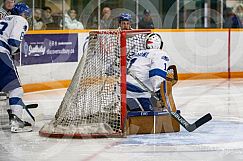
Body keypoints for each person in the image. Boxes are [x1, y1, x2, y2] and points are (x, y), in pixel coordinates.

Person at [0, 2, 32, 132]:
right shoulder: (20, 20)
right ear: (23, 13)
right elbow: (13, 42)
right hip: (1, 53)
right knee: (15, 90)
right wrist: (14, 51)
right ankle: (16, 122)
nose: (26, 17)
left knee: (8, 89)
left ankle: (12, 116)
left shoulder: (3, 19)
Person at [126, 33, 170, 111]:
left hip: (123, 89)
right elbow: (157, 73)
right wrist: (159, 92)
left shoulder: (138, 53)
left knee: (129, 116)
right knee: (149, 117)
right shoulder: (159, 53)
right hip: (136, 92)